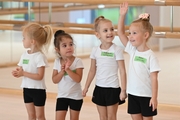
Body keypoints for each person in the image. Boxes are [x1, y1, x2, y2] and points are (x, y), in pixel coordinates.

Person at [118, 2, 161, 120]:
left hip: (146, 96)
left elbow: (154, 79)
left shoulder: (151, 56)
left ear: (145, 35)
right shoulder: (132, 50)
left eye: (134, 33)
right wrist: (122, 16)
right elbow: (120, 33)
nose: (130, 36)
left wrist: (154, 97)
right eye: (130, 33)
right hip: (133, 94)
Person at [82, 16, 127, 120]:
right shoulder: (95, 50)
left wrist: (123, 90)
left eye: (112, 29)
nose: (109, 32)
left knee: (111, 117)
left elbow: (122, 71)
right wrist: (86, 87)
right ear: (98, 35)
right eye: (105, 30)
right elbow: (92, 70)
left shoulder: (117, 50)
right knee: (102, 117)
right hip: (99, 88)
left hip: (113, 89)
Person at [12, 22, 53, 120]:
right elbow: (22, 68)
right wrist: (18, 72)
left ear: (32, 41)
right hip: (26, 89)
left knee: (40, 116)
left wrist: (23, 73)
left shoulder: (40, 57)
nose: (22, 40)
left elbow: (39, 76)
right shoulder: (24, 55)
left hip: (38, 91)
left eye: (24, 38)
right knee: (31, 116)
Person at [52, 30, 84, 120]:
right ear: (57, 49)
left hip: (76, 97)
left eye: (71, 44)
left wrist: (68, 70)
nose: (69, 47)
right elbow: (54, 80)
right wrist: (62, 71)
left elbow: (78, 79)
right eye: (64, 46)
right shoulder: (57, 62)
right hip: (62, 96)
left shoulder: (78, 61)